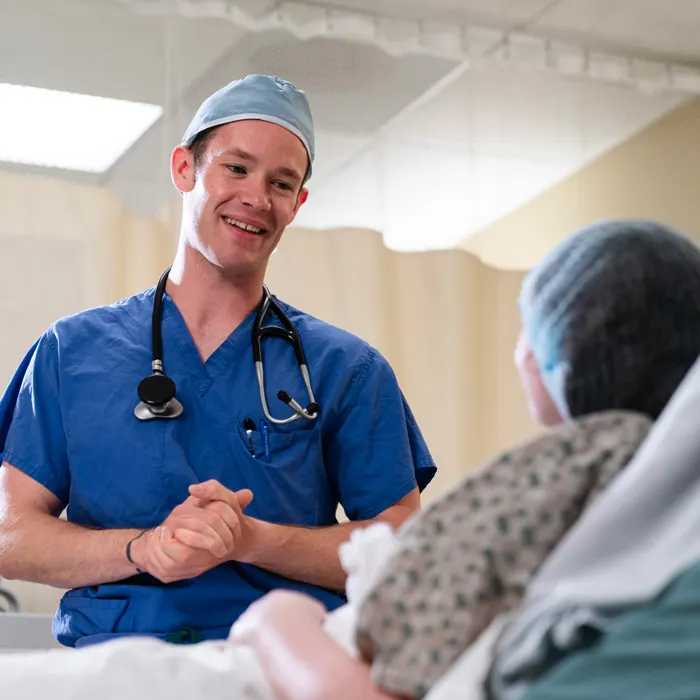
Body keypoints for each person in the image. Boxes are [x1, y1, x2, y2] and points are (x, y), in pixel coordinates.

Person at [0, 74, 436, 648]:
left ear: (298, 203)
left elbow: (400, 546)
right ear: (185, 169)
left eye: (282, 183)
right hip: (117, 669)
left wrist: (250, 540)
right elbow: (11, 533)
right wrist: (144, 548)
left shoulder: (344, 369)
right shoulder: (71, 353)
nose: (257, 198)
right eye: (236, 168)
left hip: (281, 668)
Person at [226, 219, 700, 700]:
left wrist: (276, 621)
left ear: (555, 354)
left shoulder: (574, 466)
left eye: (528, 328)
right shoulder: (665, 515)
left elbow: (400, 647)